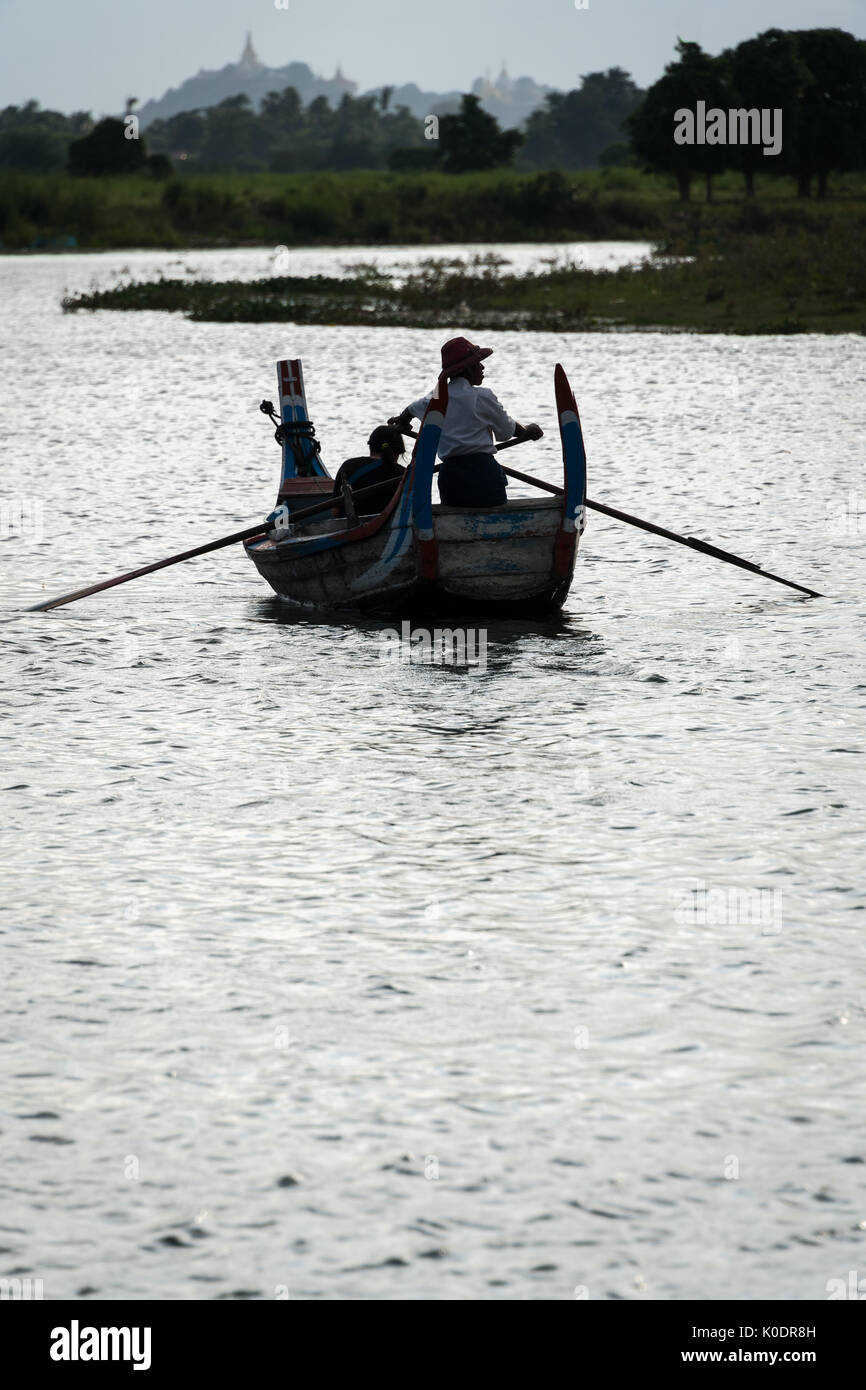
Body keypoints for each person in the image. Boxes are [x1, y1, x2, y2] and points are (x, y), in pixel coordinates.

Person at [389, 337, 542, 507]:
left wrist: (402, 421)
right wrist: (528, 429)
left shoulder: (435, 399)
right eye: (478, 364)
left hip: (452, 481)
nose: (483, 368)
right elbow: (507, 431)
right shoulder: (482, 396)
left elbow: (410, 409)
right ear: (467, 369)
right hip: (485, 476)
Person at [332, 425, 407, 516]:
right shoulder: (405, 474)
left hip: (351, 525)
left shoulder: (348, 466)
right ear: (398, 452)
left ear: (371, 446)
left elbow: (335, 512)